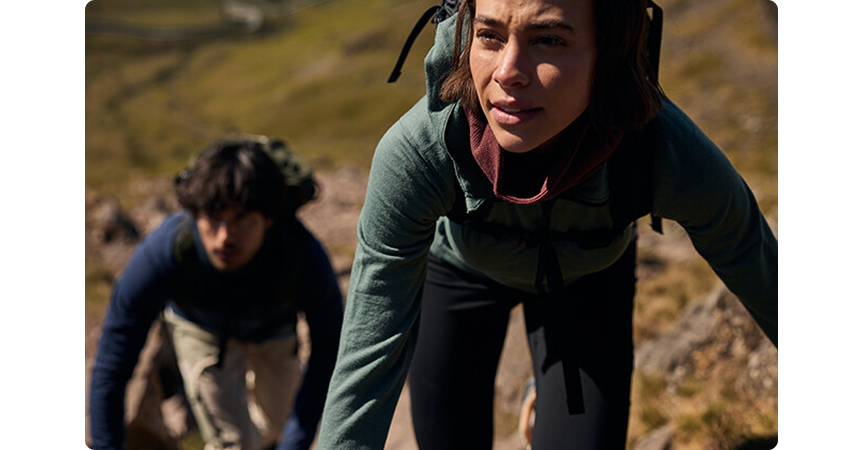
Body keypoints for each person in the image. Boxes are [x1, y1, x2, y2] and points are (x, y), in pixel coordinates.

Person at [316, 0, 777, 448]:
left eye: (550, 39)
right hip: (461, 269)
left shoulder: (662, 154)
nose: (508, 72)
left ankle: (543, 395)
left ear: (610, 50)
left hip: (588, 276)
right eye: (489, 36)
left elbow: (754, 260)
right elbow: (367, 360)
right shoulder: (422, 151)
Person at [89, 136, 344, 450]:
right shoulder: (164, 253)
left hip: (275, 332)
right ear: (195, 213)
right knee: (234, 441)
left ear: (269, 219)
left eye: (242, 220)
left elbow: (328, 349)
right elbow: (113, 362)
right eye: (213, 218)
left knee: (279, 425)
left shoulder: (301, 254)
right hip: (202, 329)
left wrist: (296, 442)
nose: (225, 237)